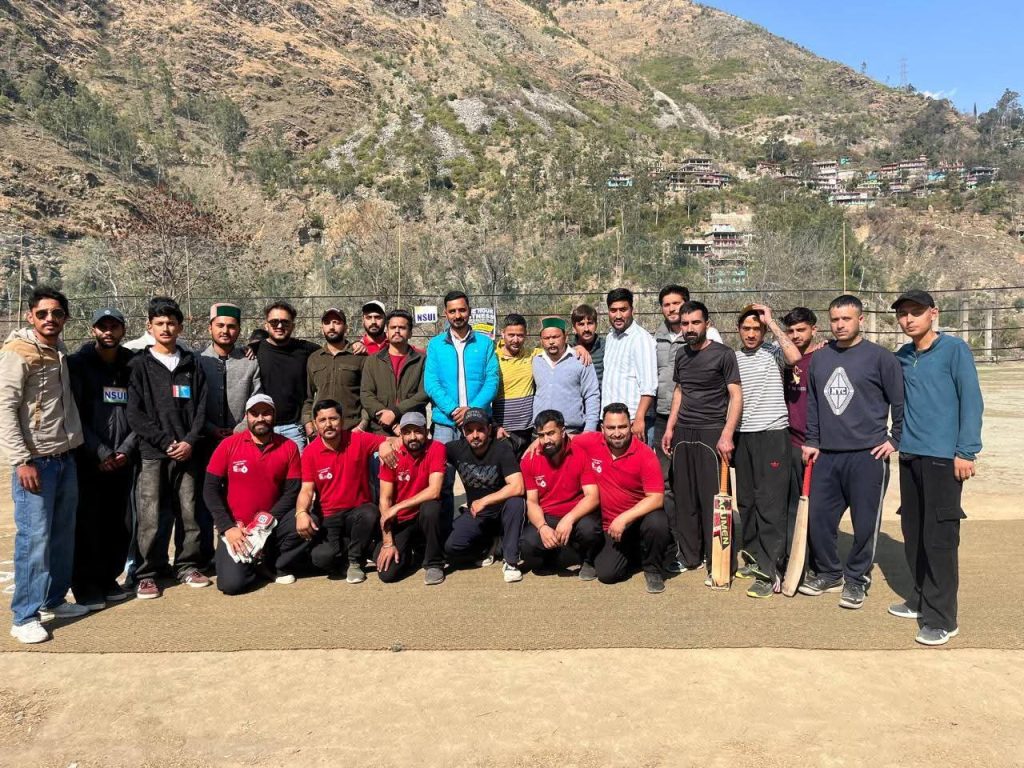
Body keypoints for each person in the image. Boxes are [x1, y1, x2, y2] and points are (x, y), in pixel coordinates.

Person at [799, 294, 904, 610]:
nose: (840, 325)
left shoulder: (881, 358)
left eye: (846, 318)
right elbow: (814, 403)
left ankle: (857, 579)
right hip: (827, 455)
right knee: (819, 518)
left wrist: (895, 438)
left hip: (867, 455)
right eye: (835, 319)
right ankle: (830, 573)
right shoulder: (820, 358)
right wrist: (812, 440)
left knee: (865, 523)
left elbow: (900, 402)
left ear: (860, 319)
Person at [891, 290, 983, 646]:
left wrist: (966, 451)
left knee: (940, 538)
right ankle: (919, 598)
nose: (908, 319)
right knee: (913, 532)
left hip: (944, 460)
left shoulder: (955, 350)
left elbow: (971, 400)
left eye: (915, 312)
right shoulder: (902, 356)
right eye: (903, 314)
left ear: (933, 313)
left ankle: (943, 618)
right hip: (910, 456)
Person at [1, 287, 86, 644]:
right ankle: (24, 616)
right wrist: (21, 460)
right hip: (36, 462)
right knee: (34, 538)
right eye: (43, 313)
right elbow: (5, 408)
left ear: (65, 317)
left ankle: (54, 599)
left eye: (57, 313)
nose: (50, 319)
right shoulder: (16, 352)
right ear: (30, 316)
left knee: (62, 533)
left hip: (65, 457)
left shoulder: (59, 349)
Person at [127, 296, 211, 599]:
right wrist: (164, 441)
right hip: (152, 454)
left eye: (171, 323)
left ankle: (187, 565)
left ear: (180, 327)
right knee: (150, 516)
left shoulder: (192, 363)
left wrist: (189, 441)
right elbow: (134, 413)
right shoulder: (138, 365)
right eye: (159, 323)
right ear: (149, 326)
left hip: (188, 453)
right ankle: (147, 573)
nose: (166, 328)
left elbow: (201, 408)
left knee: (189, 513)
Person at [661, 301, 742, 580]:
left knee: (714, 501)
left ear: (707, 323)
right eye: (685, 324)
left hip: (712, 434)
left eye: (695, 323)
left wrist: (727, 434)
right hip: (684, 434)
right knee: (685, 499)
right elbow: (680, 391)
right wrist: (670, 428)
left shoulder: (723, 354)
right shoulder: (681, 355)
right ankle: (690, 555)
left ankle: (719, 561)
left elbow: (736, 395)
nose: (690, 328)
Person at [68, 307, 136, 611]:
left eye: (114, 326)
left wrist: (126, 450)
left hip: (124, 459)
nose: (108, 331)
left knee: (120, 523)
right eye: (102, 326)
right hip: (90, 460)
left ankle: (109, 578)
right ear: (93, 330)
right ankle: (86, 586)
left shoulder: (132, 364)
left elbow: (141, 412)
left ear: (123, 330)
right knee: (88, 524)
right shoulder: (78, 364)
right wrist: (101, 452)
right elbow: (75, 414)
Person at [731, 304, 802, 598]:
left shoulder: (774, 352)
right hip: (743, 436)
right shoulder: (733, 358)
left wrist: (771, 323)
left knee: (770, 505)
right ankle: (752, 556)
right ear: (738, 330)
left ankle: (771, 570)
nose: (751, 334)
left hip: (772, 434)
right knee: (746, 502)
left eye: (756, 329)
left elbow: (795, 357)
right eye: (746, 329)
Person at [203, 394, 307, 594]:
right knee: (231, 585)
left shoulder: (289, 447)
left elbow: (292, 491)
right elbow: (210, 488)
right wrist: (227, 527)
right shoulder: (228, 445)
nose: (260, 418)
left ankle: (272, 563)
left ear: (274, 416)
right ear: (247, 416)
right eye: (255, 413)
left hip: (272, 524)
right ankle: (254, 563)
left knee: (308, 520)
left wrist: (266, 520)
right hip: (237, 528)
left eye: (266, 413)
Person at [296, 399, 397, 583]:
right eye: (322, 420)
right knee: (321, 558)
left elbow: (395, 440)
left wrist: (384, 444)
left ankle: (354, 561)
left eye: (333, 419)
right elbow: (306, 490)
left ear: (342, 421)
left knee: (369, 512)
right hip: (329, 518)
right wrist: (301, 512)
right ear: (316, 424)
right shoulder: (310, 452)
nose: (328, 424)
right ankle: (356, 549)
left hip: (358, 514)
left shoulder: (358, 439)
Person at [574, 404, 672, 593]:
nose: (617, 433)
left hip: (637, 521)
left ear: (631, 426)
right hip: (609, 526)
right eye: (611, 428)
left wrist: (624, 518)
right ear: (602, 428)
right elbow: (565, 440)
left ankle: (652, 568)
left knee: (658, 522)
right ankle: (633, 554)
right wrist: (536, 443)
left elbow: (656, 498)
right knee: (607, 575)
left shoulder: (645, 454)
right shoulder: (591, 442)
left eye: (622, 427)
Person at [424, 291, 500, 519]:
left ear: (469, 311)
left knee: (483, 479)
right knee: (443, 480)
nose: (458, 315)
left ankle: (481, 529)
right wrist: (454, 410)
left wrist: (472, 411)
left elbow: (492, 380)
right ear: (446, 314)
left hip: (478, 424)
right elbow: (431, 382)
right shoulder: (435, 345)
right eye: (453, 311)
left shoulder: (485, 344)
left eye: (462, 310)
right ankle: (447, 530)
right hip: (445, 424)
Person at [198, 302, 262, 566]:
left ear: (239, 329)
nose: (225, 331)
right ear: (210, 327)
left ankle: (242, 547)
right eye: (220, 325)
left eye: (231, 326)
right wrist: (211, 428)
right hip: (204, 440)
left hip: (241, 440)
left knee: (238, 496)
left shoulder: (249, 362)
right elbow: (193, 405)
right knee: (204, 498)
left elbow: (257, 400)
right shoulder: (198, 361)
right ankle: (202, 556)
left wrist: (237, 430)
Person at [443, 408, 526, 583]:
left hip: (503, 512)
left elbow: (518, 486)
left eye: (480, 429)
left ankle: (511, 561)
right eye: (469, 430)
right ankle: (488, 545)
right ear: (463, 432)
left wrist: (485, 500)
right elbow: (427, 450)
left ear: (489, 429)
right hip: (479, 514)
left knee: (516, 501)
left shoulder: (502, 449)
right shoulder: (455, 449)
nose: (475, 435)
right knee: (451, 547)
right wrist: (389, 442)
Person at [519, 410, 602, 578]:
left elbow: (592, 496)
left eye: (551, 433)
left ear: (563, 431)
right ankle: (552, 556)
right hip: (549, 515)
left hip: (577, 514)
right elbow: (532, 502)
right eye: (541, 435)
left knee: (589, 530)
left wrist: (569, 518)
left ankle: (587, 559)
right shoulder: (530, 460)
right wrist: (542, 527)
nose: (546, 440)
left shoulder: (580, 452)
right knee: (527, 545)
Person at [653, 284, 723, 466]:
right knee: (664, 469)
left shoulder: (708, 335)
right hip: (662, 413)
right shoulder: (656, 337)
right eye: (666, 304)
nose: (671, 308)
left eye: (676, 303)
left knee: (694, 468)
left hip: (694, 418)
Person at [376, 412, 447, 585]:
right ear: (401, 434)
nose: (413, 437)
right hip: (402, 520)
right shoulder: (391, 454)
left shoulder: (437, 448)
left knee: (431, 507)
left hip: (423, 515)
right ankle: (409, 552)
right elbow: (385, 500)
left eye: (418, 431)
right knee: (387, 574)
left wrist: (397, 507)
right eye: (407, 432)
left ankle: (434, 563)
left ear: (427, 432)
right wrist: (388, 542)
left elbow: (434, 491)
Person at [781, 306, 822, 583]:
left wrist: (815, 439)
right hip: (790, 442)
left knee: (816, 507)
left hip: (814, 444)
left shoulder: (824, 357)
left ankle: (820, 564)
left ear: (814, 330)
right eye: (791, 331)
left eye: (801, 330)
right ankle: (795, 560)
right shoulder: (784, 357)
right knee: (792, 506)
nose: (796, 335)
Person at [253, 301, 319, 451]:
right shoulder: (255, 350)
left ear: (293, 326)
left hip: (295, 429)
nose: (279, 326)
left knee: (296, 467)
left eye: (285, 322)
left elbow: (333, 349)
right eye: (274, 322)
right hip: (262, 428)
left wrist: (354, 344)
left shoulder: (305, 349)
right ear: (266, 325)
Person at [601, 288, 657, 443]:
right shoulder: (610, 338)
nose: (618, 315)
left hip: (632, 423)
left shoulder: (641, 339)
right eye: (613, 310)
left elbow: (649, 386)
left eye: (623, 309)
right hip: (612, 422)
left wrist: (639, 419)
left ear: (632, 310)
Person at [361, 309, 428, 436]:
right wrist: (388, 420)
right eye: (393, 327)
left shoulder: (422, 360)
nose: (397, 331)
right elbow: (366, 395)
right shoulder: (372, 361)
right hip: (380, 430)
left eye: (402, 327)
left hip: (413, 430)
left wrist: (395, 412)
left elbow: (424, 394)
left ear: (410, 333)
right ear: (387, 332)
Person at [302, 307, 368, 433]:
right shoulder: (314, 359)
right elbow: (308, 397)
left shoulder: (359, 357)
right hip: (322, 431)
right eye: (327, 323)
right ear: (322, 328)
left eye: (336, 322)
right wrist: (308, 425)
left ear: (346, 327)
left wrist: (362, 426)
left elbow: (367, 396)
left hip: (352, 430)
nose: (331, 327)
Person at [531, 318, 600, 433]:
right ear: (541, 340)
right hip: (540, 432)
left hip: (571, 431)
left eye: (556, 337)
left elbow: (592, 395)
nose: (551, 342)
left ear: (565, 337)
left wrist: (590, 429)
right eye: (547, 338)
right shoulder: (536, 361)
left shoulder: (581, 360)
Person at [493, 313, 538, 454]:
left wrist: (577, 348)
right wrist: (494, 426)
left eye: (520, 335)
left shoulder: (533, 354)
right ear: (502, 334)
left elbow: (557, 350)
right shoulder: (493, 358)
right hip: (503, 431)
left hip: (529, 430)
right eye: (511, 335)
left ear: (526, 335)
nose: (516, 340)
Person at [571, 304, 605, 389]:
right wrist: (575, 349)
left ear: (596, 325)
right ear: (574, 328)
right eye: (581, 324)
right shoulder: (567, 350)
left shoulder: (605, 347)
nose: (586, 329)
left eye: (590, 323)